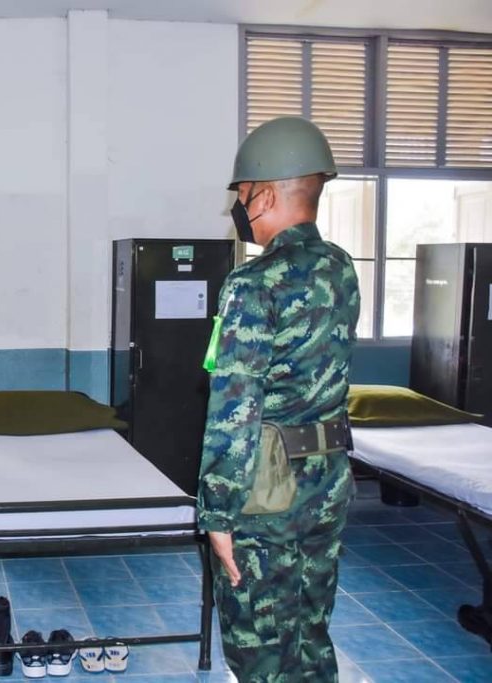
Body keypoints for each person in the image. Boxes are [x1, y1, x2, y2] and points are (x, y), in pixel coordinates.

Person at [197, 116, 360, 682]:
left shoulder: (252, 283)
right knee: (310, 632)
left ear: (264, 195)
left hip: (267, 490)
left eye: (242, 195)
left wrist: (217, 514)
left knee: (261, 645)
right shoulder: (341, 268)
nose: (239, 208)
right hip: (329, 480)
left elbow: (234, 410)